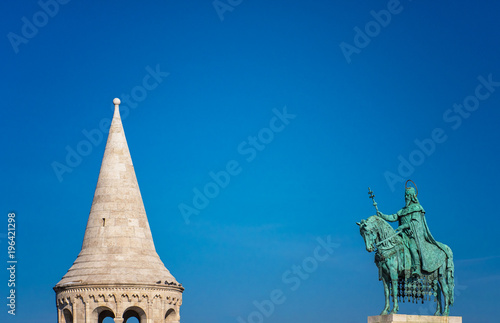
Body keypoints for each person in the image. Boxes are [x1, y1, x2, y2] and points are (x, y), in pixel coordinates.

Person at [376, 182, 442, 276]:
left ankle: (417, 268)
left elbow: (415, 222)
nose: (406, 197)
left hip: (413, 235)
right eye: (405, 195)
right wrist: (382, 215)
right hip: (402, 235)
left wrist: (403, 226)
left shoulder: (417, 208)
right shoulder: (402, 210)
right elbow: (393, 217)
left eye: (407, 195)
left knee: (412, 247)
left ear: (411, 196)